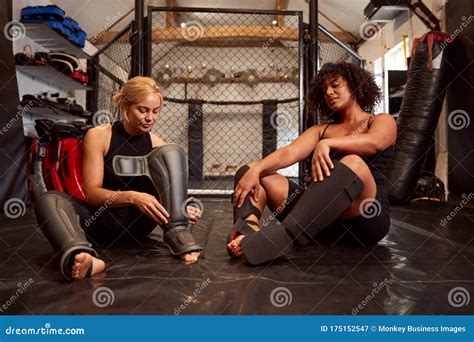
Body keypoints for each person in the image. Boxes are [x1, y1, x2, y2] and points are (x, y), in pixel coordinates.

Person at [226, 62, 397, 265]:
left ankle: (278, 240)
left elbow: (375, 143)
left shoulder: (380, 120)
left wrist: (328, 144)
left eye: (335, 85)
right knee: (253, 170)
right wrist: (256, 170)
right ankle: (248, 230)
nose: (329, 93)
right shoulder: (321, 130)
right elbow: (289, 153)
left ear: (355, 85)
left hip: (363, 220)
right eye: (324, 90)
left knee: (353, 162)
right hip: (320, 224)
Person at [35, 76, 202, 281]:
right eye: (143, 110)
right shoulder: (99, 136)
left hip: (139, 224)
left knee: (172, 155)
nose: (150, 117)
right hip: (101, 222)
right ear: (125, 106)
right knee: (48, 200)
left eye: (155, 111)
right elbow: (92, 194)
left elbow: (167, 195)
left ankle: (179, 236)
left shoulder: (159, 145)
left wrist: (182, 210)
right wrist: (133, 196)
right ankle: (82, 255)